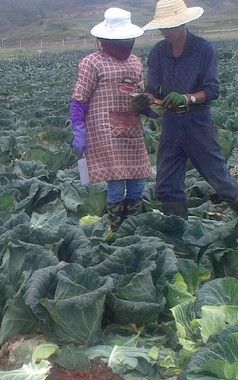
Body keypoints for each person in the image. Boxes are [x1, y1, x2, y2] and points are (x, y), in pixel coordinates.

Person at [139, 0, 238, 226]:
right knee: (167, 183)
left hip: (198, 123)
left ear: (182, 23)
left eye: (169, 26)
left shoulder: (203, 49)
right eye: (162, 27)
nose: (165, 31)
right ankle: (178, 234)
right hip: (172, 124)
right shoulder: (158, 52)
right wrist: (146, 99)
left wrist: (187, 98)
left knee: (219, 178)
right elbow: (152, 90)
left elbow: (212, 90)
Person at [71, 8, 154, 232]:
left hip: (131, 127)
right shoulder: (92, 62)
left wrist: (148, 107)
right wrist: (78, 129)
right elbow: (80, 99)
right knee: (116, 181)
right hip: (103, 129)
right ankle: (115, 228)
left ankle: (132, 227)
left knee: (137, 178)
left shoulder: (135, 62)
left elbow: (141, 94)